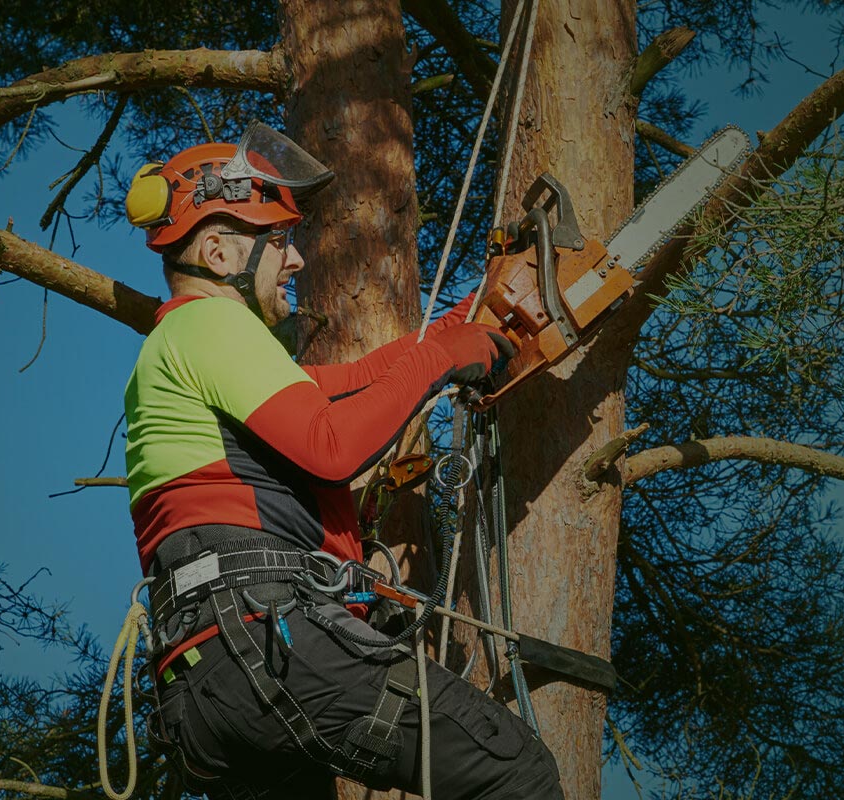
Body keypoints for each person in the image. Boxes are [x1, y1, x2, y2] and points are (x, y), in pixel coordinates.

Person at [120, 122, 563, 800]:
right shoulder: (206, 323)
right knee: (515, 772)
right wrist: (439, 359)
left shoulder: (186, 352)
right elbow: (334, 447)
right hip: (264, 640)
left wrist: (464, 323)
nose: (294, 262)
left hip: (208, 687)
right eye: (277, 243)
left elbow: (353, 382)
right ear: (216, 252)